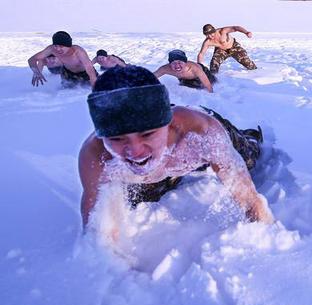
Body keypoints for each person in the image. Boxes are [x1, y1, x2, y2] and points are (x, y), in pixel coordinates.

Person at [79, 65, 272, 229]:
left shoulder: (201, 132)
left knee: (249, 156)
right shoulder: (96, 156)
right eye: (118, 139)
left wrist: (264, 234)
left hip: (198, 129)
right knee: (137, 201)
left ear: (168, 122)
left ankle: (248, 138)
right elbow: (100, 237)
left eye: (147, 134)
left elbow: (250, 202)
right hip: (164, 167)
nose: (135, 151)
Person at [28, 31, 97, 88]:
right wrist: (36, 72)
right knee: (66, 92)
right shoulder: (51, 49)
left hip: (86, 74)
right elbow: (32, 59)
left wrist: (94, 86)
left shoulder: (78, 51)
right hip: (68, 73)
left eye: (61, 46)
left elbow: (90, 68)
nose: (58, 49)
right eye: (55, 46)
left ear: (68, 46)